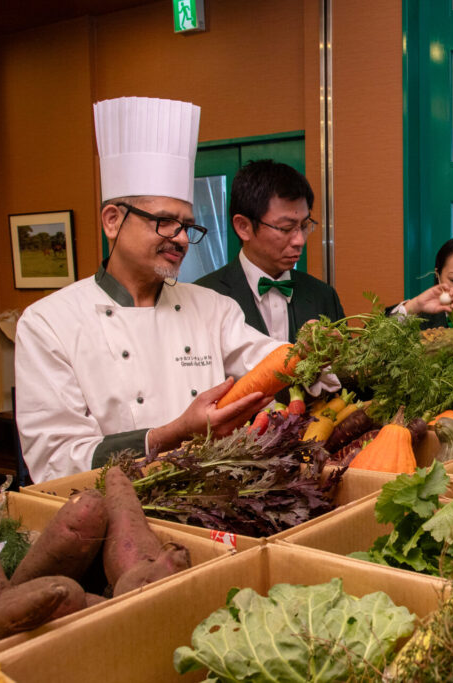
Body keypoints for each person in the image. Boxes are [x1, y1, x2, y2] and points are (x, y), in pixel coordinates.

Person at [14, 97, 281, 483]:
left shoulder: (213, 308)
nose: (181, 238)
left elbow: (270, 360)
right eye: (165, 221)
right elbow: (56, 460)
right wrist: (172, 434)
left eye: (187, 226)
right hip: (112, 508)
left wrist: (317, 352)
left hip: (212, 499)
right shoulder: (48, 323)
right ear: (112, 221)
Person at [195, 160, 344, 342]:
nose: (299, 240)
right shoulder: (204, 297)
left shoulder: (324, 296)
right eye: (286, 228)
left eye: (305, 225)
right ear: (243, 227)